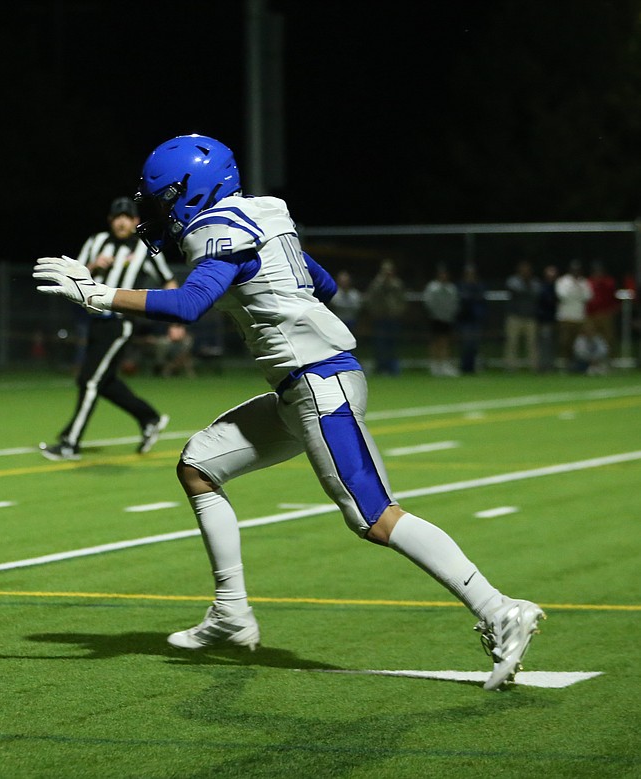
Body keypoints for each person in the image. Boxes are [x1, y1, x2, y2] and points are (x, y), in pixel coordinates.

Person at [33, 134, 544, 691]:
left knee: (374, 516)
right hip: (302, 388)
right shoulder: (262, 216)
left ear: (192, 190)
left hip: (319, 385)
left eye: (162, 200)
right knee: (198, 465)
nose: (157, 215)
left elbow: (188, 304)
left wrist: (97, 294)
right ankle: (230, 611)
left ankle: (499, 610)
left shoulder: (217, 229)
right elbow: (319, 282)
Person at [40, 196, 176, 461]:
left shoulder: (144, 249)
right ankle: (149, 418)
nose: (122, 221)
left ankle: (70, 444)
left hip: (120, 323)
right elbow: (71, 276)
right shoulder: (96, 242)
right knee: (103, 382)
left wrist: (174, 320)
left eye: (127, 216)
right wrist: (93, 267)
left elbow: (169, 280)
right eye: (117, 217)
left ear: (136, 221)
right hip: (95, 321)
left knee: (90, 381)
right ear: (110, 221)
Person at [364, 259, 406, 375]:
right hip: (380, 318)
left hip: (393, 317)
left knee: (393, 344)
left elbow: (402, 299)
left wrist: (399, 311)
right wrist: (375, 312)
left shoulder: (397, 284)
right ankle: (381, 368)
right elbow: (370, 299)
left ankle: (393, 369)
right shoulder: (376, 284)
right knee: (380, 344)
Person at [422, 264, 460, 377]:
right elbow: (428, 302)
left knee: (445, 341)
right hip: (435, 318)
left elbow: (455, 303)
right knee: (435, 342)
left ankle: (444, 364)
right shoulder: (432, 287)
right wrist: (436, 313)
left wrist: (449, 314)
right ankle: (434, 365)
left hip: (447, 318)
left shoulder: (451, 288)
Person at [555, 260, 593, 371]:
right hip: (566, 317)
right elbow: (563, 295)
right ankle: (564, 365)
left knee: (578, 344)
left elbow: (588, 296)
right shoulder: (563, 281)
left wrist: (578, 289)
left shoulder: (584, 282)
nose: (576, 272)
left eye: (578, 270)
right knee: (565, 342)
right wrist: (575, 288)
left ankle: (577, 366)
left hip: (579, 317)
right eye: (574, 270)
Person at [503, 260, 540, 372]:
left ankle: (534, 367)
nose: (525, 272)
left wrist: (527, 290)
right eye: (523, 269)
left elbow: (536, 294)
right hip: (515, 317)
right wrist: (526, 291)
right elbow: (516, 292)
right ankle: (510, 367)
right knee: (512, 343)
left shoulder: (535, 282)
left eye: (527, 270)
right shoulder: (513, 281)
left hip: (530, 317)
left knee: (532, 344)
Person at [456, 264, 487, 374]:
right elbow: (461, 302)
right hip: (465, 320)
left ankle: (473, 367)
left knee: (475, 345)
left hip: (475, 320)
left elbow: (481, 300)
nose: (470, 276)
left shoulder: (479, 286)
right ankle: (465, 367)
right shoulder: (461, 286)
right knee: (466, 344)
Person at [535, 264, 560, 372]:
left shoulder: (558, 286)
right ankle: (543, 365)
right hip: (545, 319)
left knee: (553, 344)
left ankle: (551, 364)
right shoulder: (542, 287)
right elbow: (544, 302)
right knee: (544, 343)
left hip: (556, 319)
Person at [327, 270, 362, 335]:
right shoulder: (334, 293)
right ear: (338, 281)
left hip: (352, 323)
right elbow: (333, 305)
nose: (344, 283)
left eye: (346, 281)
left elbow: (357, 307)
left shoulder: (355, 294)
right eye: (342, 281)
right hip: (337, 321)